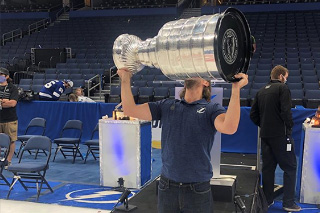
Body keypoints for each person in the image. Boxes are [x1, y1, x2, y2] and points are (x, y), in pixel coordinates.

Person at [117, 67, 248, 213]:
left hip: (197, 189)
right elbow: (129, 110)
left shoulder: (211, 109)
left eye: (198, 72)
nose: (192, 72)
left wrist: (236, 89)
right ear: (184, 82)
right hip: (167, 187)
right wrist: (125, 79)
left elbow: (229, 127)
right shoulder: (167, 106)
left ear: (206, 82)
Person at [250, 65, 301, 212]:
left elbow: (253, 115)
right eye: (286, 77)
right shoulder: (283, 89)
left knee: (268, 168)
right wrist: (289, 126)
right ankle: (288, 202)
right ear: (281, 76)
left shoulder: (260, 91)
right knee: (290, 167)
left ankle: (267, 200)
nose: (286, 80)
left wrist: (264, 125)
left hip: (266, 136)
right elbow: (286, 111)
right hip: (281, 136)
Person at [0, 67, 19, 167]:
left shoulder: (13, 88)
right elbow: (8, 102)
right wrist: (5, 101)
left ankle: (8, 161)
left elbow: (12, 103)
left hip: (10, 119)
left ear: (7, 76)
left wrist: (2, 102)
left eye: (1, 75)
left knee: (11, 140)